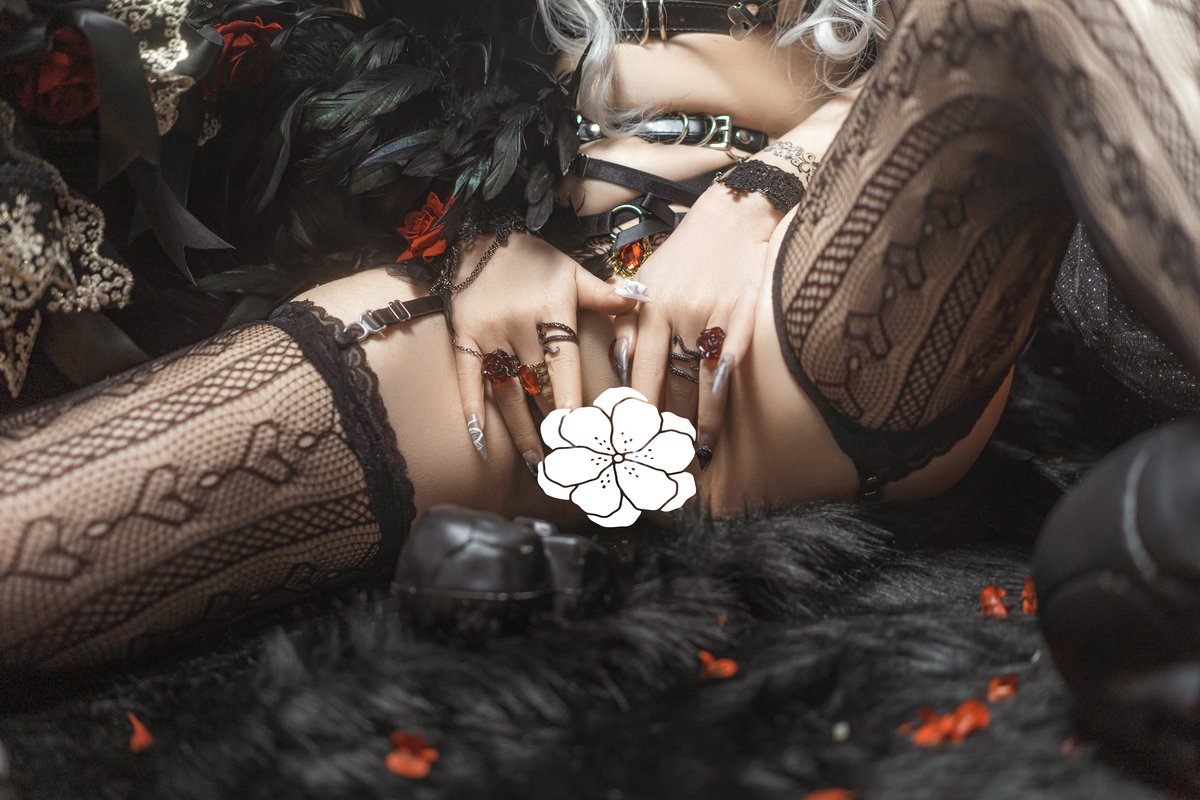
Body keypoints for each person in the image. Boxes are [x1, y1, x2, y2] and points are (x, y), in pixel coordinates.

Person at [0, 0, 1197, 674]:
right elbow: (324, 98)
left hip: (799, 298)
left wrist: (772, 182)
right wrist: (476, 219)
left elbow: (994, 54)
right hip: (492, 331)